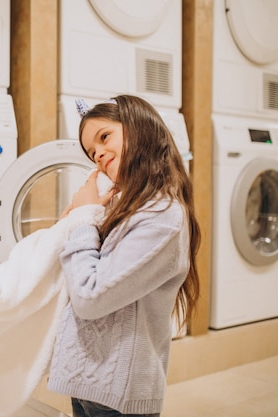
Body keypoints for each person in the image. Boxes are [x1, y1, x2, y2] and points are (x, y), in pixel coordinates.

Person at [47, 95, 200, 417]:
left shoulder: (162, 217)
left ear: (141, 128)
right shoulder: (127, 211)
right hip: (90, 377)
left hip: (119, 392)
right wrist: (79, 218)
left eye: (104, 137)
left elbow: (90, 297)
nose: (99, 154)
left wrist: (85, 217)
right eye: (92, 152)